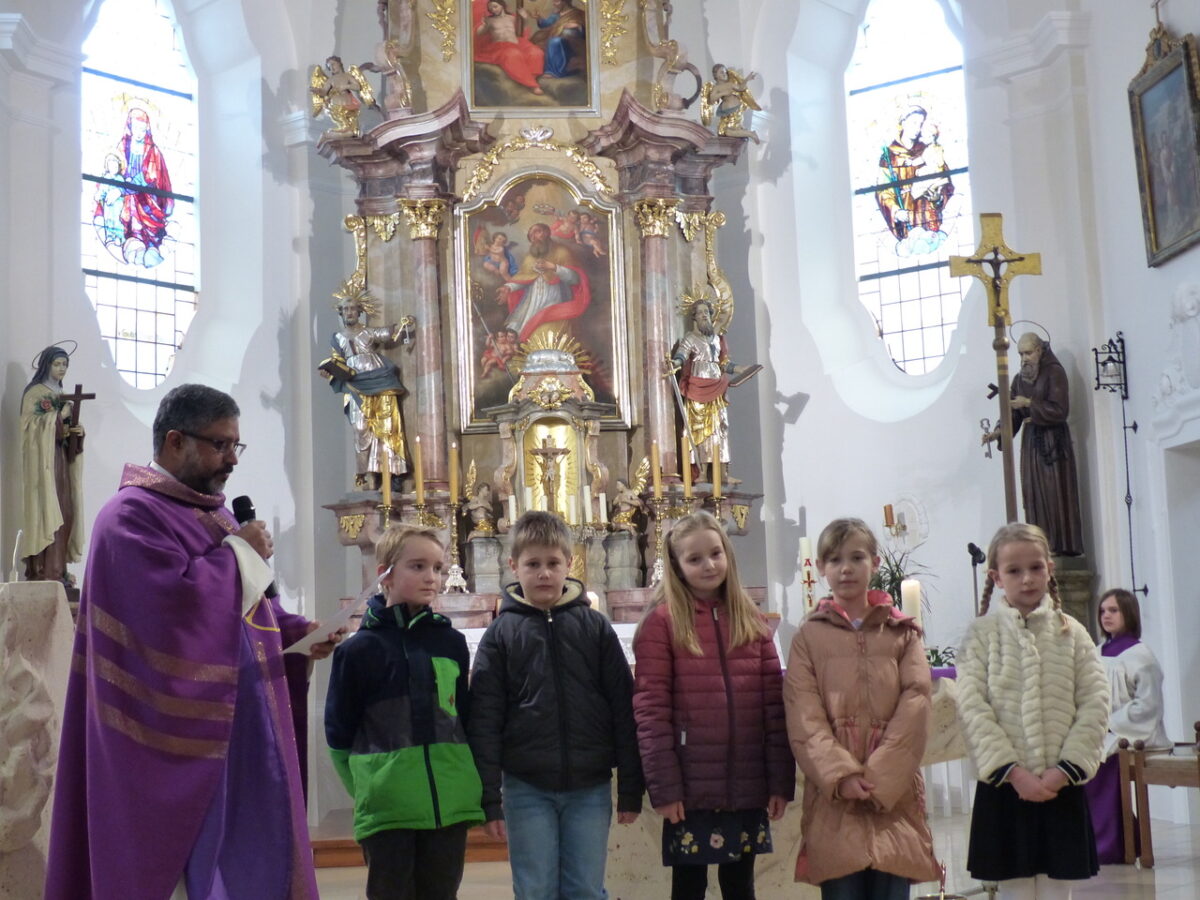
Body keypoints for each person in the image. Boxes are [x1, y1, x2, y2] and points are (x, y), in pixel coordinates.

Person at [45, 383, 341, 900]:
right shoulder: (129, 518)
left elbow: (246, 613)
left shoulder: (215, 515)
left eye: (235, 446)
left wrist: (296, 634)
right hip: (170, 753)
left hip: (238, 741)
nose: (231, 460)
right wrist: (240, 556)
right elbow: (173, 618)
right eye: (220, 444)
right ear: (175, 441)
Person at [467, 511, 644, 899]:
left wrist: (630, 787)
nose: (544, 573)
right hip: (525, 786)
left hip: (590, 784)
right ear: (514, 566)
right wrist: (488, 799)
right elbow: (484, 719)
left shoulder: (594, 627)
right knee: (535, 889)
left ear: (569, 564)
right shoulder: (501, 634)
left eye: (552, 563)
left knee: (585, 888)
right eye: (533, 564)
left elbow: (622, 706)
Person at [633, 511, 793, 900]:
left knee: (741, 886)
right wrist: (665, 788)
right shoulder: (662, 624)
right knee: (689, 886)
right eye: (695, 558)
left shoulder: (752, 621)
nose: (709, 565)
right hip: (690, 788)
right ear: (676, 565)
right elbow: (652, 713)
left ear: (728, 554)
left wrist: (779, 781)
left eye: (715, 553)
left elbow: (774, 708)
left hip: (747, 782)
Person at [325, 524, 484, 899]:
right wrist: (369, 791)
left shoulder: (451, 642)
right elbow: (338, 736)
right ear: (385, 573)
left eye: (438, 568)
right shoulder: (358, 651)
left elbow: (464, 718)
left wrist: (470, 781)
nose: (432, 577)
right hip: (388, 807)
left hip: (449, 804)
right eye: (418, 566)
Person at [783, 517, 940, 897]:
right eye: (834, 560)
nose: (846, 568)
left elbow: (916, 700)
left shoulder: (903, 633)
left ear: (875, 562)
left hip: (893, 793)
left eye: (856, 557)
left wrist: (881, 776)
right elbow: (804, 716)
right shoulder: (808, 637)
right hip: (834, 798)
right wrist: (842, 776)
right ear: (820, 569)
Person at [956, 523, 1109, 898]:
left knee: (1059, 891)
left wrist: (1063, 770)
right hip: (1006, 787)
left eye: (1035, 568)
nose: (1027, 579)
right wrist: (1015, 774)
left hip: (1061, 784)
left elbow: (1095, 703)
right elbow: (972, 707)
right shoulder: (981, 635)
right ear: (996, 576)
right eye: (1014, 570)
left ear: (1049, 569)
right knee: (1014, 891)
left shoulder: (1072, 633)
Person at [1084, 588, 1171, 865]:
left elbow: (1148, 705)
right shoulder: (1097, 652)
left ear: (1128, 613)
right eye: (1102, 611)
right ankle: (1102, 838)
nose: (1106, 616)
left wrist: (1109, 724)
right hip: (1101, 731)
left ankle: (1108, 844)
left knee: (1101, 764)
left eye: (1113, 610)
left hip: (1131, 734)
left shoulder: (1141, 655)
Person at [982, 334, 1084, 556]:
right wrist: (998, 432)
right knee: (1033, 494)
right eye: (1020, 354)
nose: (1024, 358)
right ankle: (1039, 547)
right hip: (1031, 443)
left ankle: (1058, 545)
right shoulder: (1020, 379)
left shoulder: (1054, 372)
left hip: (1052, 444)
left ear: (1040, 350)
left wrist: (1029, 403)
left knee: (1052, 493)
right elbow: (1013, 415)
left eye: (1028, 353)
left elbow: (1060, 410)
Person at [320, 291, 415, 491]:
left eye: (353, 308)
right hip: (354, 384)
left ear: (360, 311)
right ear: (341, 313)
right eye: (345, 309)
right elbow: (336, 361)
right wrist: (329, 371)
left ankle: (389, 475)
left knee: (385, 425)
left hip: (379, 379)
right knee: (361, 430)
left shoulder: (368, 333)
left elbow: (388, 333)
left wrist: (404, 324)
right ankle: (368, 476)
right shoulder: (337, 338)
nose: (349, 312)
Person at [19, 345, 84, 583]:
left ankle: (58, 570)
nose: (61, 369)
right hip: (42, 468)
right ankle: (44, 571)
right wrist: (59, 418)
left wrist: (76, 432)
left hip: (60, 463)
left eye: (65, 365)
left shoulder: (61, 394)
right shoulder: (35, 393)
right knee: (46, 511)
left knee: (65, 510)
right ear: (46, 365)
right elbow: (30, 428)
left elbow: (64, 435)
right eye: (57, 364)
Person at [670, 296, 755, 474]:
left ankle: (721, 473)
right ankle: (701, 473)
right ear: (694, 317)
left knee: (719, 428)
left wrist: (741, 369)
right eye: (699, 313)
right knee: (700, 431)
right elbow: (682, 355)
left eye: (706, 312)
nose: (703, 315)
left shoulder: (717, 339)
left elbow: (723, 363)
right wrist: (675, 363)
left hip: (718, 387)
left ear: (711, 315)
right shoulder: (690, 338)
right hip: (697, 389)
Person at [876, 106, 954, 256]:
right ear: (903, 123)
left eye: (920, 123)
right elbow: (883, 191)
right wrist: (896, 211)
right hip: (905, 215)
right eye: (913, 123)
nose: (917, 128)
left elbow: (944, 181)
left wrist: (938, 198)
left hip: (928, 214)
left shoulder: (929, 150)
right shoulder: (889, 156)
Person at [498, 222, 591, 342]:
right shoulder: (530, 257)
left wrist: (553, 267)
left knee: (549, 337)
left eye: (537, 232)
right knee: (529, 338)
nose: (533, 237)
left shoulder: (561, 252)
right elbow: (523, 278)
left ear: (547, 232)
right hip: (532, 305)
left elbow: (575, 279)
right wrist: (509, 287)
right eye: (531, 235)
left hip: (555, 304)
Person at [116, 107, 173, 267]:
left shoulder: (153, 151)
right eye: (136, 128)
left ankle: (151, 248)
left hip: (147, 197)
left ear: (147, 129)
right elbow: (117, 167)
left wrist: (128, 187)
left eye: (143, 129)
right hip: (130, 196)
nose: (139, 133)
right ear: (130, 127)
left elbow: (152, 176)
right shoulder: (123, 146)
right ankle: (135, 244)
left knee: (149, 222)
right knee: (132, 216)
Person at [474, 0, 545, 93]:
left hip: (517, 43)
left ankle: (531, 78)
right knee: (513, 55)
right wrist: (484, 25)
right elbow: (479, 33)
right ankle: (533, 86)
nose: (493, 10)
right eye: (490, 8)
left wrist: (525, 18)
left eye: (495, 7)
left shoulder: (512, 18)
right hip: (501, 46)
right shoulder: (490, 20)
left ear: (502, 6)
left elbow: (521, 31)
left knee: (536, 52)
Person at [523, 0, 586, 78]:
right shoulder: (555, 15)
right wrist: (539, 18)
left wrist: (575, 26)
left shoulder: (578, 13)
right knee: (539, 43)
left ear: (565, 1)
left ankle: (556, 71)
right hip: (556, 38)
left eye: (556, 1)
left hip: (570, 46)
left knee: (555, 41)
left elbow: (584, 30)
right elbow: (546, 24)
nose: (554, 4)